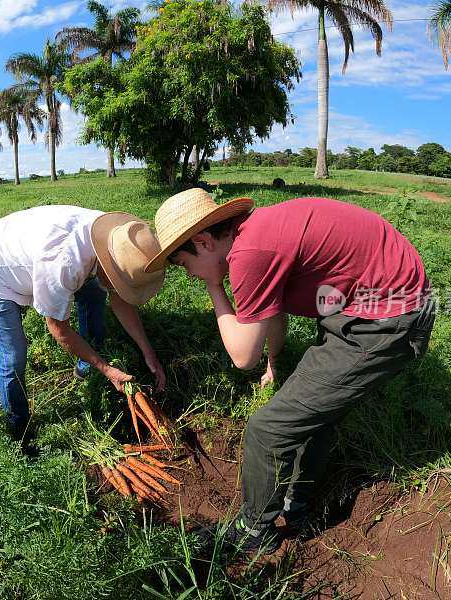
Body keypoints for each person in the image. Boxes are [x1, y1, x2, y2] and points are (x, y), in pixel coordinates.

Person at [146, 188, 435, 555]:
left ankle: (254, 531)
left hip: (386, 316)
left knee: (268, 428)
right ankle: (296, 504)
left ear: (202, 242)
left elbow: (240, 357)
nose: (189, 275)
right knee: (314, 413)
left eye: (185, 266)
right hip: (368, 296)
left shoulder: (249, 254)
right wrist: (275, 363)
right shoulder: (255, 232)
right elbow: (273, 311)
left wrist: (214, 286)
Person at [0, 205, 167, 437]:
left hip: (26, 248)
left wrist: (148, 352)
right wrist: (107, 369)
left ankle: (86, 368)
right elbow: (59, 329)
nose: (118, 288)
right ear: (107, 266)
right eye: (118, 282)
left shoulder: (116, 239)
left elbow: (120, 301)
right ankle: (18, 428)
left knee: (94, 294)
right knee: (13, 354)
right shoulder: (64, 262)